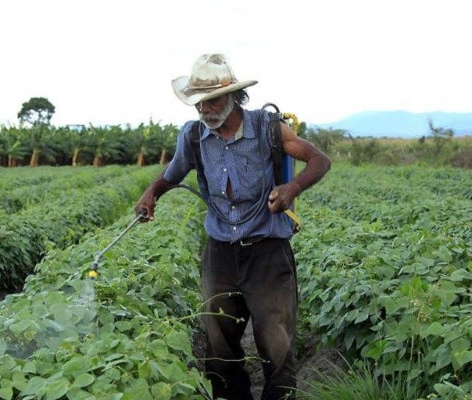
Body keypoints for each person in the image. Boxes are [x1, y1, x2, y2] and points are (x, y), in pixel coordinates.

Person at [134, 53, 331, 400]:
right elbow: (173, 173)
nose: (205, 110)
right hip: (220, 253)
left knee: (277, 341)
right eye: (199, 103)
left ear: (233, 96)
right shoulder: (194, 136)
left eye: (212, 101)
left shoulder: (267, 128)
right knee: (220, 342)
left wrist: (291, 188)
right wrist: (151, 194)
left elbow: (320, 159)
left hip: (267, 253)